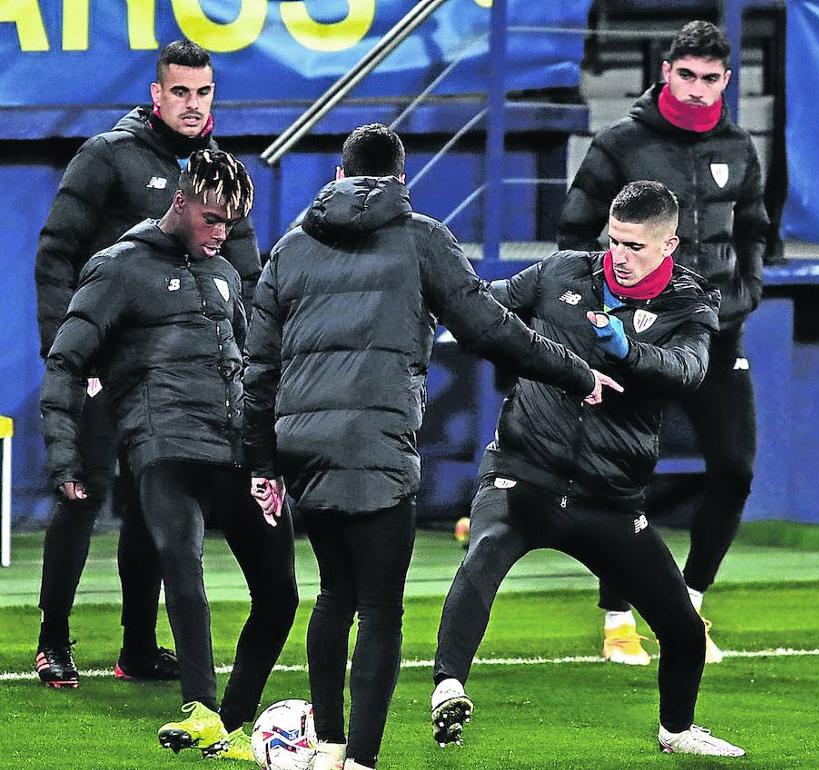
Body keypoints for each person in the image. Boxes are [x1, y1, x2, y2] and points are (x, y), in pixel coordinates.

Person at [244, 124, 614, 770]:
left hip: (302, 446)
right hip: (379, 442)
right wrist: (577, 372)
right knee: (380, 607)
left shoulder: (290, 249)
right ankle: (360, 759)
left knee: (334, 594)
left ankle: (327, 746)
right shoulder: (422, 239)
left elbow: (259, 369)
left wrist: (261, 462)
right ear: (400, 180)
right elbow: (491, 330)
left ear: (339, 177)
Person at [431, 180, 745, 757]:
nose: (619, 257)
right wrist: (431, 296)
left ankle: (676, 731)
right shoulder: (561, 273)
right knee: (483, 556)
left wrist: (629, 351)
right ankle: (448, 686)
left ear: (668, 245)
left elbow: (688, 370)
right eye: (614, 240)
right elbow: (485, 302)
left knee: (680, 627)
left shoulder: (690, 301)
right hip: (525, 470)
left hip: (610, 495)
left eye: (634, 247)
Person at [40, 149, 296, 759]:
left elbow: (248, 369)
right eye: (212, 219)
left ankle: (229, 720)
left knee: (281, 594)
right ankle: (202, 707)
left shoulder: (228, 274)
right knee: (184, 570)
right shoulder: (116, 269)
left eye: (231, 223)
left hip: (234, 451)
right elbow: (66, 361)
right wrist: (65, 457)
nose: (222, 233)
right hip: (164, 452)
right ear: (178, 202)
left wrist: (269, 455)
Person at [31, 38, 261, 688]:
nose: (193, 105)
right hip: (109, 369)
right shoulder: (107, 156)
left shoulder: (218, 175)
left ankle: (137, 647)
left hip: (179, 381)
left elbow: (245, 276)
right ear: (156, 94)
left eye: (204, 92)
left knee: (151, 503)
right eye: (180, 92)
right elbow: (54, 255)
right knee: (81, 496)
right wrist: (71, 357)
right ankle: (52, 640)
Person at [558, 19, 769, 666]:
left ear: (726, 79)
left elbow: (757, 225)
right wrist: (596, 309)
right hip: (634, 333)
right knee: (624, 476)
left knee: (734, 469)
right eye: (688, 75)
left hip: (716, 332)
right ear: (667, 73)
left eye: (712, 78)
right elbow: (574, 230)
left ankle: (691, 606)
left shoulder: (739, 145)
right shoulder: (622, 143)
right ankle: (618, 618)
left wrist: (747, 291)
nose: (700, 89)